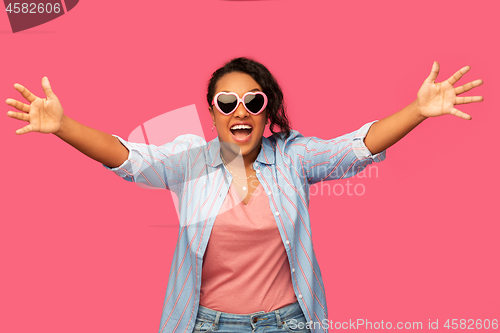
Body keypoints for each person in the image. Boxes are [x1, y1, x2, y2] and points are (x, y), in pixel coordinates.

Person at [6, 57, 483, 333]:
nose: (241, 110)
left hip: (289, 324)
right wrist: (63, 127)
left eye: (253, 101)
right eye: (227, 102)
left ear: (265, 110)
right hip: (206, 326)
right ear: (212, 112)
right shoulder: (191, 161)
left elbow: (354, 147)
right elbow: (131, 158)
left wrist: (418, 111)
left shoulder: (293, 158)